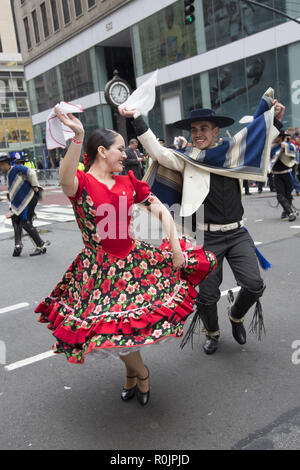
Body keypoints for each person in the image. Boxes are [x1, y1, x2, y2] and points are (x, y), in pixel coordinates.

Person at [35, 107, 217, 405]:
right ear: (102, 151)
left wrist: (174, 247)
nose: (126, 154)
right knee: (110, 329)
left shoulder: (127, 182)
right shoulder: (80, 183)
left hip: (133, 265)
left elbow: (160, 210)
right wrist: (78, 136)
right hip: (97, 271)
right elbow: (64, 175)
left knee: (126, 328)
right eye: (121, 149)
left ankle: (134, 376)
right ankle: (140, 373)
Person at [119, 89, 285, 355]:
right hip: (205, 237)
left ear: (215, 131)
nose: (198, 134)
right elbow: (159, 153)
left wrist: (274, 121)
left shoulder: (233, 154)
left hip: (237, 233)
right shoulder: (186, 159)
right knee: (206, 296)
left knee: (254, 285)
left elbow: (257, 137)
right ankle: (213, 332)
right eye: (194, 129)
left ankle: (235, 315)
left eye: (204, 128)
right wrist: (136, 119)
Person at [0, 152, 49, 257]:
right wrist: (11, 208)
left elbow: (31, 172)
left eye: (1, 165)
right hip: (23, 201)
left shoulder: (16, 169)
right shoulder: (9, 174)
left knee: (25, 222)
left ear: (6, 163)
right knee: (15, 220)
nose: (0, 167)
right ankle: (18, 245)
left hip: (29, 198)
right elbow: (14, 193)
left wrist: (35, 185)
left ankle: (41, 246)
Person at [271, 131, 298, 221]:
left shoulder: (287, 145)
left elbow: (293, 149)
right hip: (277, 174)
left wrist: (285, 146)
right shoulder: (272, 146)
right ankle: (290, 212)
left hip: (287, 173)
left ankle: (285, 211)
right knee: (280, 195)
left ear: (280, 137)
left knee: (288, 194)